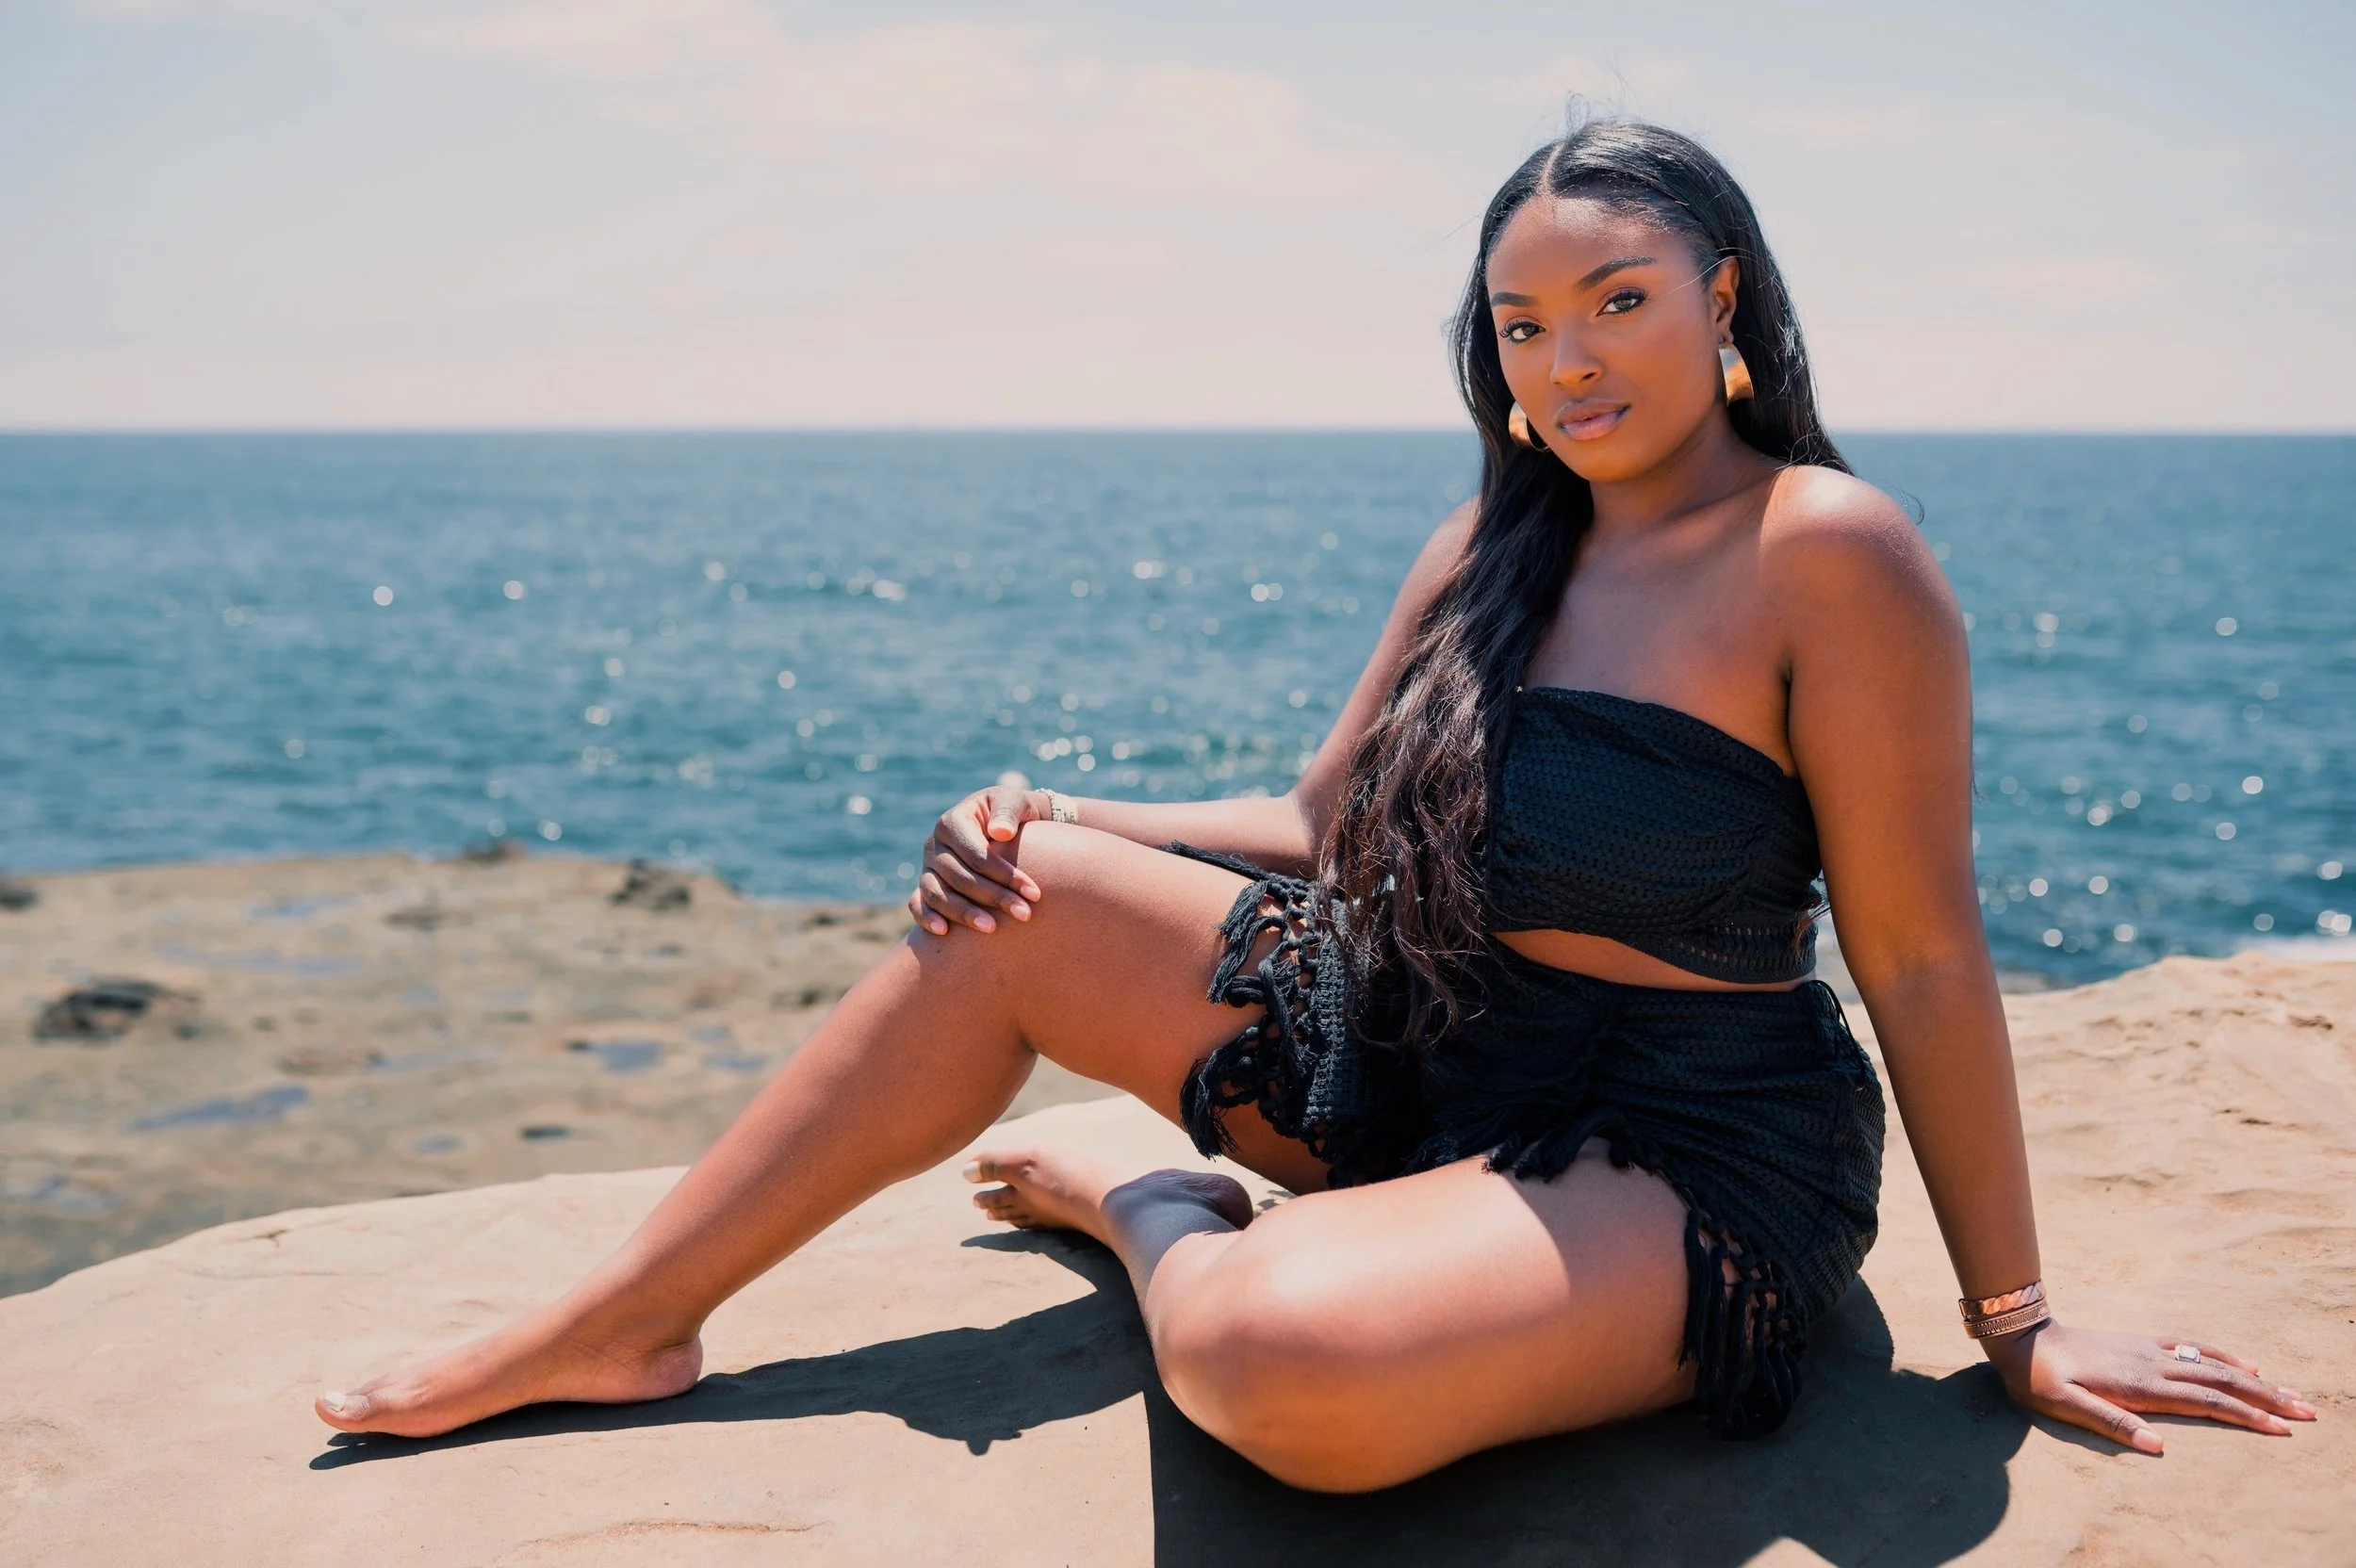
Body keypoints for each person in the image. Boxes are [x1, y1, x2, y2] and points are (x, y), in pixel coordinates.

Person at [316, 119, 2314, 1488]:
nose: (1569, 361)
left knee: (1274, 1365)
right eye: (1523, 327)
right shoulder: (1489, 540)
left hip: (1679, 1147)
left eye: (1615, 300)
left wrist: (2016, 1320)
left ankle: (1152, 1201)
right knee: (1011, 898)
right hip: (1424, 1059)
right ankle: (619, 1321)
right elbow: (1320, 823)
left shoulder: (1827, 551)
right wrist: (1048, 810)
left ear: (1720, 292)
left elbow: (1912, 946)